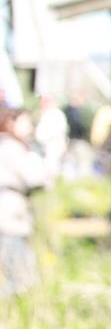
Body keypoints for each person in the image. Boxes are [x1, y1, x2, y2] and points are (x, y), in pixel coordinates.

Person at [0, 104, 57, 294]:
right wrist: (50, 161)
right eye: (24, 122)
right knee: (21, 277)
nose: (30, 128)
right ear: (10, 123)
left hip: (8, 213)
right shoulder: (11, 147)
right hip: (9, 216)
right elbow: (35, 177)